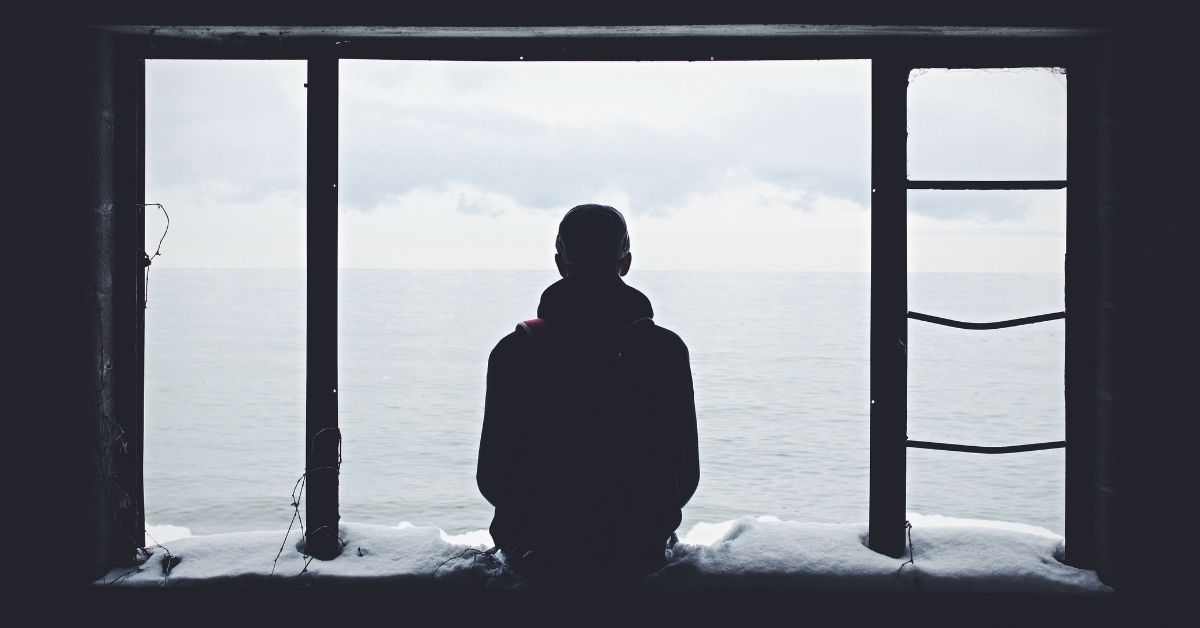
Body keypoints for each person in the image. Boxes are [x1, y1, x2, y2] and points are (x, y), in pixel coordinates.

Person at [476, 204, 700, 585]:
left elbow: (491, 478)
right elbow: (686, 476)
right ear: (625, 263)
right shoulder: (665, 350)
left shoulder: (515, 351)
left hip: (535, 550)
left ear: (560, 263)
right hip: (635, 550)